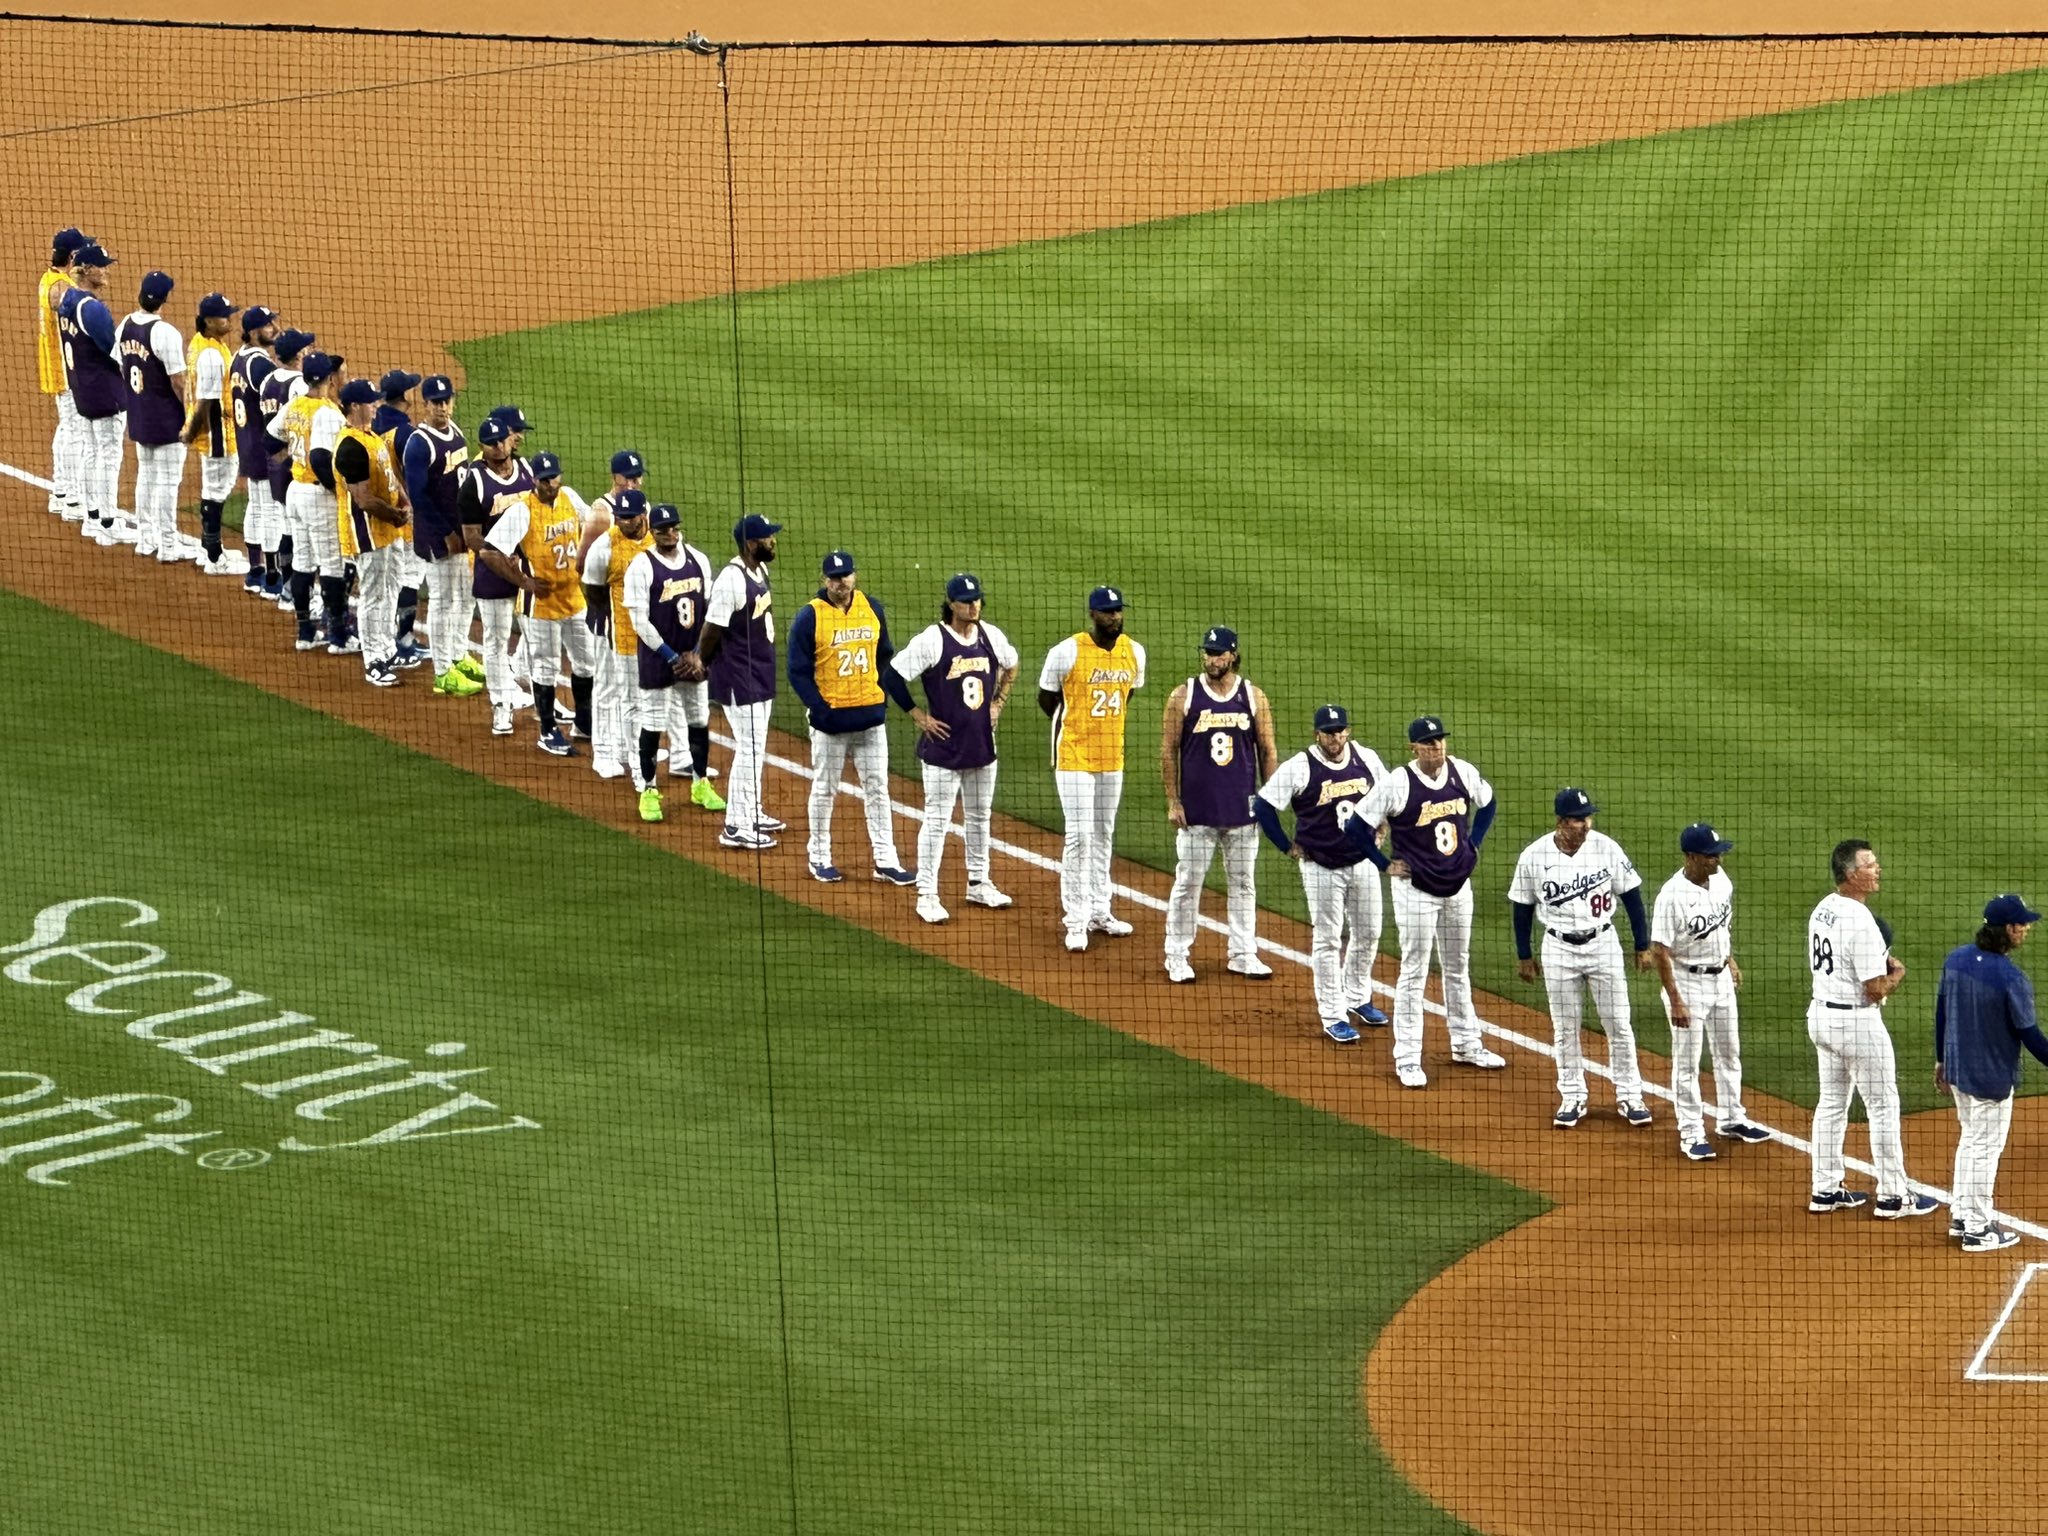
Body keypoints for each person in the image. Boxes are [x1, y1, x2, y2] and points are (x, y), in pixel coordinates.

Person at [1352, 716, 1507, 1088]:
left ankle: (1466, 1044)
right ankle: (1406, 1057)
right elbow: (1356, 827)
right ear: (1414, 748)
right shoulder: (1397, 783)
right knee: (1414, 971)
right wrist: (1384, 864)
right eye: (1428, 742)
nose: (1437, 746)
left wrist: (1474, 843)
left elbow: (1487, 803)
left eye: (1439, 740)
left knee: (1457, 967)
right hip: (1416, 891)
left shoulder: (1462, 772)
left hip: (1457, 887)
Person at [1805, 839, 1938, 1219]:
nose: (1878, 869)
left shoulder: (1823, 908)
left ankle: (1825, 1189)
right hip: (1856, 1023)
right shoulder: (1861, 920)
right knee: (1882, 1106)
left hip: (1821, 1016)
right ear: (1851, 874)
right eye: (1870, 865)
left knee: (1831, 1104)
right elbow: (1874, 988)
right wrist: (1896, 974)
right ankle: (1894, 1196)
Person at [1509, 788, 1653, 1129]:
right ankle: (1572, 1095)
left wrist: (1642, 945)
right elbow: (1522, 907)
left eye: (1588, 817)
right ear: (1561, 822)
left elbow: (1632, 896)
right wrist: (1524, 955)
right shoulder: (1534, 855)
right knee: (1565, 1027)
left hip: (1603, 944)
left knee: (1618, 1023)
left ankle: (1630, 1094)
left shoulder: (1606, 847)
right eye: (1578, 819)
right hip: (1558, 948)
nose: (1586, 825)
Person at [886, 572, 1018, 924]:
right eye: (965, 601)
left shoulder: (990, 635)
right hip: (943, 749)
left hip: (981, 745)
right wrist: (918, 716)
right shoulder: (933, 639)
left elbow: (1012, 663)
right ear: (950, 604)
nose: (973, 605)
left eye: (976, 599)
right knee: (937, 819)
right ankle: (926, 893)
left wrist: (998, 703)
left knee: (979, 816)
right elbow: (892, 676)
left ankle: (979, 882)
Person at [1253, 704, 1390, 1043]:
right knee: (1328, 939)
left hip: (1362, 861)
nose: (1336, 737)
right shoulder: (1300, 766)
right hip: (1321, 866)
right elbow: (1264, 805)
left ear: (1348, 731)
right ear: (1317, 734)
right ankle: (1333, 1014)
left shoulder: (1365, 757)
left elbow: (1389, 794)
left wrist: (1384, 821)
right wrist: (1287, 845)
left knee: (1369, 931)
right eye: (1329, 732)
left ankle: (1358, 996)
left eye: (1340, 730)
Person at [787, 550, 912, 886]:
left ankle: (885, 860)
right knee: (825, 788)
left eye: (844, 576)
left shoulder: (872, 608)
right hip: (830, 724)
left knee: (878, 789)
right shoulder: (809, 617)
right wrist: (819, 706)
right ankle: (819, 855)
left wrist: (881, 696)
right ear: (823, 580)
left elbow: (885, 656)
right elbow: (797, 672)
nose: (839, 583)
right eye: (833, 577)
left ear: (854, 576)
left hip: (871, 718)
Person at [1649, 822, 1770, 1160]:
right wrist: (1674, 998)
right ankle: (1690, 1132)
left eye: (1719, 854)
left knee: (1729, 1051)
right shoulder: (1671, 896)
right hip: (1687, 982)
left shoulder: (1721, 881)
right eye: (1711, 855)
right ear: (1691, 857)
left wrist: (1729, 959)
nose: (1718, 860)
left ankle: (1732, 1118)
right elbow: (1660, 949)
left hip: (1719, 980)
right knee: (1687, 1062)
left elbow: (1721, 927)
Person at [1161, 625, 1276, 982]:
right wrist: (1173, 801)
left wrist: (1269, 801)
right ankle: (1177, 954)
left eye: (1219, 653)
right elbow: (1168, 751)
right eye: (1208, 653)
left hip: (1242, 811)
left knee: (1243, 883)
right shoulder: (1183, 696)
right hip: (1197, 813)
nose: (1212, 659)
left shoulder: (1254, 696)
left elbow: (1267, 750)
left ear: (1233, 655)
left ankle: (1243, 952)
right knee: (1189, 882)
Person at [1935, 894, 2048, 1252]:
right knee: (1984, 1150)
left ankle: (1961, 1215)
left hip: (1958, 1070)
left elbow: (1941, 1012)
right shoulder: (2011, 977)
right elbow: (2029, 1034)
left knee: (1970, 1142)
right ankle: (1979, 1228)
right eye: (2023, 924)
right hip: (1991, 1079)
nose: (2027, 929)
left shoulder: (1956, 960)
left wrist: (1941, 1060)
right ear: (2010, 930)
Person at [1038, 585, 1146, 951]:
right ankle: (1076, 920)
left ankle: (1101, 910)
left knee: (1103, 833)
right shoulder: (1066, 651)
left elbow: (1127, 695)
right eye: (1107, 611)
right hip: (1073, 756)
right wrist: (1079, 725)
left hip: (1111, 755)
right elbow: (1047, 699)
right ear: (1092, 614)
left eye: (1118, 610)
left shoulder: (1135, 652)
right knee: (1079, 836)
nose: (1114, 616)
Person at [481, 451, 592, 752]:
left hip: (574, 598)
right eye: (543, 480)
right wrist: (524, 582)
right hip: (539, 605)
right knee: (545, 666)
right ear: (534, 480)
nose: (549, 484)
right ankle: (547, 731)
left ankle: (584, 722)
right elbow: (489, 551)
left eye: (553, 478)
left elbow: (593, 525)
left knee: (586, 662)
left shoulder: (570, 498)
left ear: (560, 476)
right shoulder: (522, 511)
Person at [622, 501, 720, 820]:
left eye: (674, 528)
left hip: (693, 656)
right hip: (658, 658)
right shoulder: (641, 566)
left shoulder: (699, 561)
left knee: (698, 720)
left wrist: (696, 654)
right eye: (663, 530)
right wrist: (672, 656)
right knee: (652, 723)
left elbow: (710, 610)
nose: (670, 535)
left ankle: (700, 782)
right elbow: (639, 620)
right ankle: (649, 790)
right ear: (653, 531)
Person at [700, 512, 783, 850]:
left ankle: (752, 811)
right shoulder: (730, 580)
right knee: (748, 749)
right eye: (767, 537)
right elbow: (712, 629)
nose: (772, 541)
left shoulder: (759, 570)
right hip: (738, 675)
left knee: (756, 747)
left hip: (759, 670)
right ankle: (736, 825)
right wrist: (699, 663)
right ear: (751, 543)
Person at [269, 350, 354, 655]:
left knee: (304, 563)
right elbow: (320, 459)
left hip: (295, 491)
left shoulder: (294, 405)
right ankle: (339, 636)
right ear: (330, 379)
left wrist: (293, 457)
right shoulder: (328, 413)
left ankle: (305, 632)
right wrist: (334, 490)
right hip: (319, 495)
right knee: (332, 565)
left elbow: (270, 440)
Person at [400, 375, 481, 695]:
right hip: (438, 536)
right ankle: (443, 671)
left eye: (447, 400)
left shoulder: (456, 430)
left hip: (460, 533)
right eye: (436, 402)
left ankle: (459, 655)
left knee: (465, 596)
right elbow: (418, 496)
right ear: (425, 404)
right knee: (443, 601)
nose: (443, 407)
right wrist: (446, 531)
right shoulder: (419, 443)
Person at [457, 414, 537, 735]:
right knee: (496, 638)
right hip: (493, 570)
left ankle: (540, 696)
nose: (498, 447)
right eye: (490, 444)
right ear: (482, 447)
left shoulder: (528, 470)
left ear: (509, 438)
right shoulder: (474, 482)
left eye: (501, 440)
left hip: (528, 566)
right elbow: (471, 536)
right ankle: (500, 705)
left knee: (538, 634)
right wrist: (503, 555)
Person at [333, 378, 413, 687]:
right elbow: (363, 499)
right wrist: (395, 515)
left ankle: (387, 648)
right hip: (366, 533)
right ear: (355, 406)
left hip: (388, 531)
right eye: (370, 401)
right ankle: (374, 660)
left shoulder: (371, 437)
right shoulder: (350, 445)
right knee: (373, 596)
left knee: (390, 589)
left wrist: (404, 503)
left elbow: (391, 479)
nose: (376, 405)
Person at [54, 241, 132, 547]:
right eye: (101, 266)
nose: (106, 270)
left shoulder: (66, 300)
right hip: (104, 391)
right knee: (109, 456)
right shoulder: (92, 308)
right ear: (86, 271)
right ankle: (108, 522)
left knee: (90, 451)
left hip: (81, 388)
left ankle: (92, 517)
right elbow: (115, 354)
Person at [118, 270, 195, 563]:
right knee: (168, 481)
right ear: (165, 299)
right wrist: (191, 417)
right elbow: (178, 381)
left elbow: (120, 365)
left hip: (140, 415)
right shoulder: (166, 333)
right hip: (166, 419)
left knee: (146, 476)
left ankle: (145, 538)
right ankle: (167, 544)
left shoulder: (124, 325)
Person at [182, 291, 247, 576]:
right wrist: (191, 432)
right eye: (224, 316)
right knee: (217, 491)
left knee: (213, 489)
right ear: (208, 321)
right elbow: (205, 402)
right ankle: (213, 556)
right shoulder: (210, 355)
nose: (229, 319)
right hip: (217, 433)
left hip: (214, 431)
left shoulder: (202, 344)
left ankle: (209, 548)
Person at [258, 327, 315, 610]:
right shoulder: (299, 385)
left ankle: (288, 588)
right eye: (304, 348)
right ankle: (295, 589)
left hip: (274, 462)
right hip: (295, 464)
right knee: (300, 531)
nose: (307, 352)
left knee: (287, 524)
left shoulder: (267, 380)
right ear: (297, 355)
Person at [373, 369, 425, 666]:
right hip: (406, 515)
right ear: (403, 399)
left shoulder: (374, 423)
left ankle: (384, 637)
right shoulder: (405, 433)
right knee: (409, 579)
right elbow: (415, 479)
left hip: (382, 513)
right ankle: (403, 642)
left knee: (386, 581)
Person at [227, 306, 281, 594]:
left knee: (257, 507)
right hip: (262, 445)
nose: (274, 328)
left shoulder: (239, 358)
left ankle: (255, 570)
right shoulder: (260, 364)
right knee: (270, 510)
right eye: (268, 324)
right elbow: (272, 405)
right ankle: (272, 578)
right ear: (253, 331)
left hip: (246, 442)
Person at [38, 227, 87, 521]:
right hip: (66, 370)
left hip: (55, 366)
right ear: (72, 256)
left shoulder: (49, 279)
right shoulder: (61, 288)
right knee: (75, 431)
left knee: (67, 428)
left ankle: (60, 491)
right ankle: (71, 497)